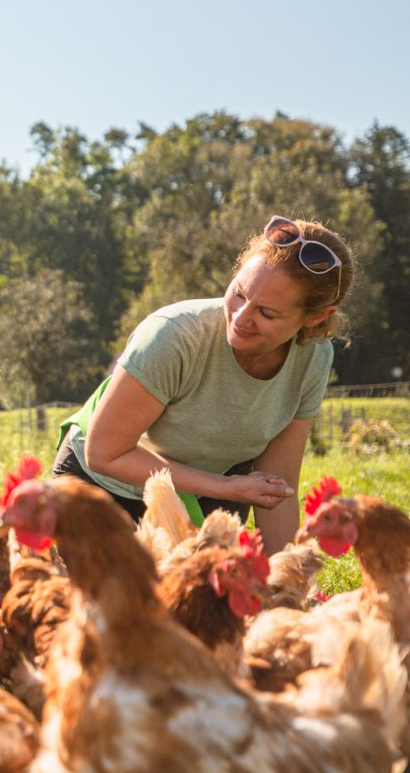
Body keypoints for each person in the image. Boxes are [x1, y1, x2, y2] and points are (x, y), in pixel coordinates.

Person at [55, 215, 354, 554]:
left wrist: (284, 586)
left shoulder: (313, 358)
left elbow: (276, 488)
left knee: (214, 600)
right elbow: (104, 454)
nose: (240, 318)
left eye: (267, 314)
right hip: (106, 484)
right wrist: (225, 488)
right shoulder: (174, 336)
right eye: (238, 294)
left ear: (315, 318)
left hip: (212, 491)